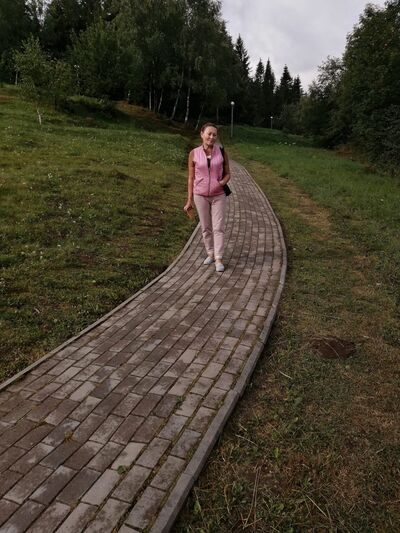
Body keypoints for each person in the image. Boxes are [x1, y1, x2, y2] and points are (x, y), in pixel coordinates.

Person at [184, 123, 231, 272]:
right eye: (209, 134)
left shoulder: (222, 152)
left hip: (219, 195)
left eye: (214, 135)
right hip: (200, 195)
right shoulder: (194, 153)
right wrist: (189, 200)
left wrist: (221, 183)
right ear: (202, 134)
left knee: (218, 227)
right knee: (206, 227)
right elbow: (191, 178)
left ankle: (219, 258)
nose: (212, 137)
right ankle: (210, 253)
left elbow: (228, 173)